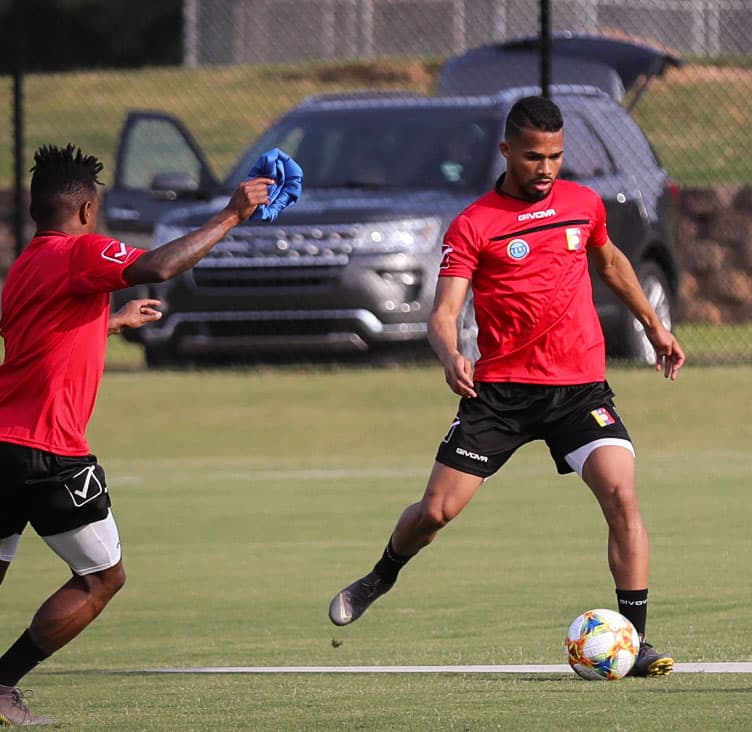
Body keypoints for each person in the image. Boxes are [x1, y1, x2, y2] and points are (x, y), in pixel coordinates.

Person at [329, 95, 686, 677]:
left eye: (555, 156)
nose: (546, 168)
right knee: (436, 513)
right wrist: (450, 355)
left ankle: (633, 641)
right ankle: (382, 574)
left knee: (622, 493)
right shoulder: (475, 224)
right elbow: (444, 312)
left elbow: (613, 262)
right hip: (500, 394)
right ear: (506, 151)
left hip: (579, 389)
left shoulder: (582, 204)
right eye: (533, 156)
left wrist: (655, 326)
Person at [0, 144, 273, 725]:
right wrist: (229, 215)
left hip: (1, 443)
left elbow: (41, 343)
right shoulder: (82, 252)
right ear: (85, 210)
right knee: (102, 579)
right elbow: (159, 266)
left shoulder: (25, 266)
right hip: (47, 450)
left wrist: (113, 320)